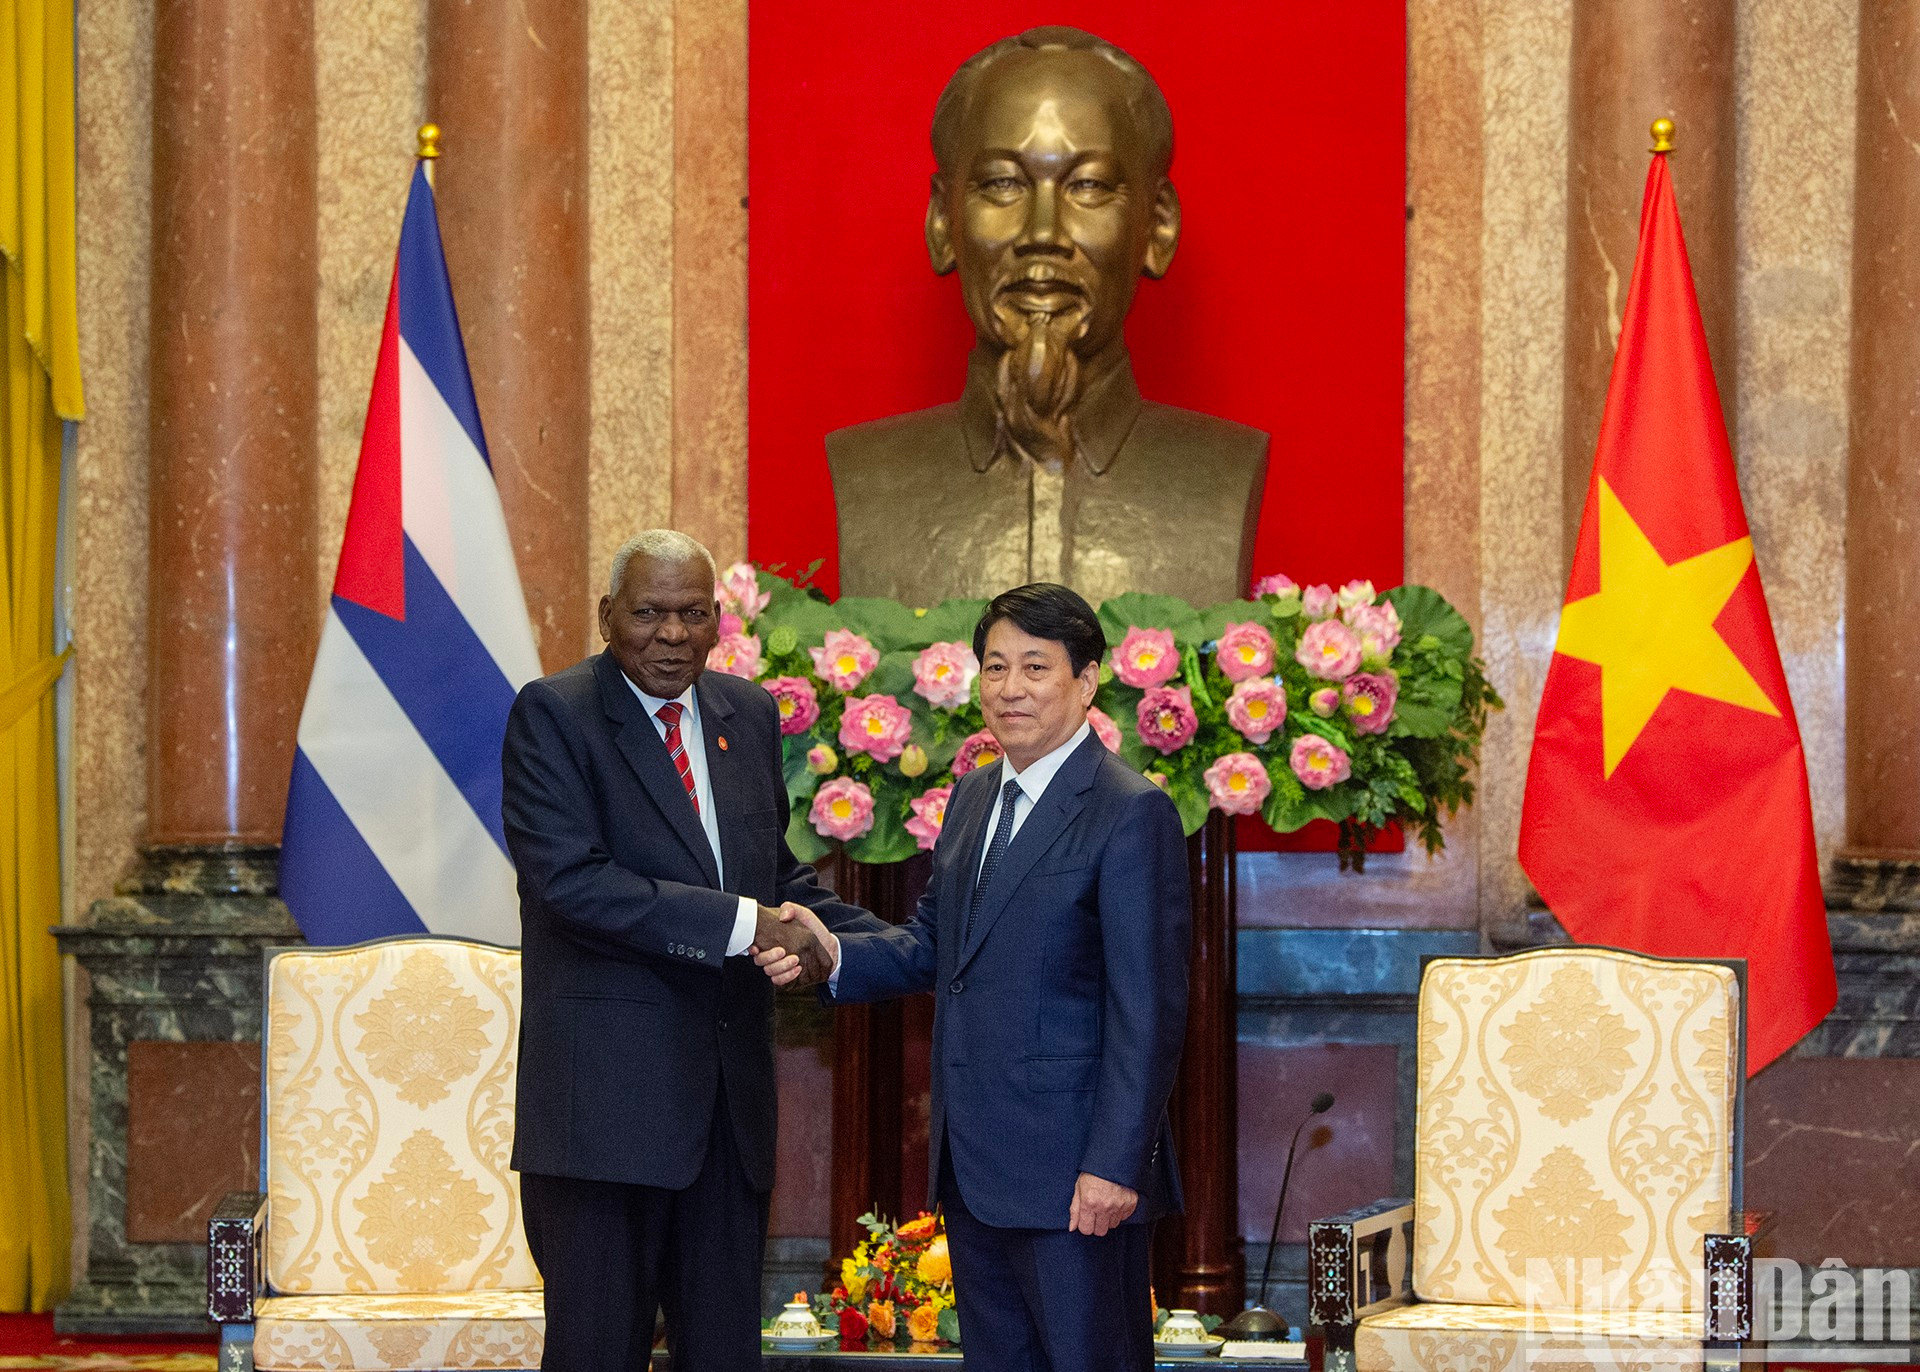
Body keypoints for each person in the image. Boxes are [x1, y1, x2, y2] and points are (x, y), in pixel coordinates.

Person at [763, 583, 1191, 1372]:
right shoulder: (972, 795)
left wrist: (1113, 1166)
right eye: (995, 667)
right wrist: (832, 952)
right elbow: (935, 945)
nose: (1011, 688)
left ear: (1088, 680)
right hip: (975, 1170)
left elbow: (1150, 1010)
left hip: (1076, 1183)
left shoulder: (1130, 812)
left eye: (1036, 666)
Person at [502, 528, 869, 1372]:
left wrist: (863, 945)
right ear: (606, 618)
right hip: (603, 1115)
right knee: (598, 1352)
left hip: (725, 1115)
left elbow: (769, 872)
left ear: (717, 623)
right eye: (650, 613)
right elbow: (574, 883)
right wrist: (748, 928)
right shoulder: (555, 715)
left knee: (724, 1355)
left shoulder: (747, 711)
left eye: (693, 615)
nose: (672, 635)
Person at [828, 27, 1267, 607]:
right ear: (942, 222)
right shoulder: (870, 474)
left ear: (1157, 226)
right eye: (1002, 183)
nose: (1042, 234)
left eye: (1087, 186)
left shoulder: (1224, 472)